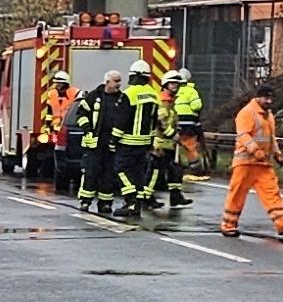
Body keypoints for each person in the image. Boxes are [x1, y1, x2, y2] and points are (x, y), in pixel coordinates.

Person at [220, 81, 283, 241]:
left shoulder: (269, 116)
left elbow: (271, 138)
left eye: (271, 99)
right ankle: (228, 225)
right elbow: (243, 135)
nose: (269, 102)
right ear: (258, 98)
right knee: (237, 194)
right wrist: (255, 151)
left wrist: (277, 154)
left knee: (271, 192)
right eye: (266, 98)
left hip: (262, 164)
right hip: (245, 163)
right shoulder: (247, 113)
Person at [111, 59, 164, 219]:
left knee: (121, 171)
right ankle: (136, 204)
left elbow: (122, 120)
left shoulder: (129, 94)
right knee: (138, 173)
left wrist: (113, 140)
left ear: (133, 76)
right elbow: (156, 120)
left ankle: (131, 201)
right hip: (145, 142)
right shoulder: (154, 95)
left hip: (128, 141)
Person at [76, 74, 121, 211]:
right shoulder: (93, 96)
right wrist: (87, 129)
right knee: (91, 172)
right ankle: (85, 201)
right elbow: (81, 113)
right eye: (116, 81)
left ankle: (105, 203)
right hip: (94, 142)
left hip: (111, 142)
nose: (119, 84)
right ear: (107, 82)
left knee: (108, 174)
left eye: (120, 81)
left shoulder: (121, 98)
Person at [161, 66, 204, 211]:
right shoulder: (166, 100)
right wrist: (172, 134)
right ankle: (146, 198)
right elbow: (162, 121)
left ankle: (175, 196)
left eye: (177, 84)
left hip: (171, 139)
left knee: (174, 168)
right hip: (165, 140)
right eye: (173, 84)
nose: (176, 87)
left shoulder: (172, 100)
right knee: (157, 170)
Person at [39, 74, 79, 187]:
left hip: (69, 127)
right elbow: (48, 113)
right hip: (57, 129)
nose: (57, 85)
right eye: (56, 82)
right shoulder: (52, 94)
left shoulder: (75, 93)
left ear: (66, 83)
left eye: (59, 83)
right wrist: (48, 128)